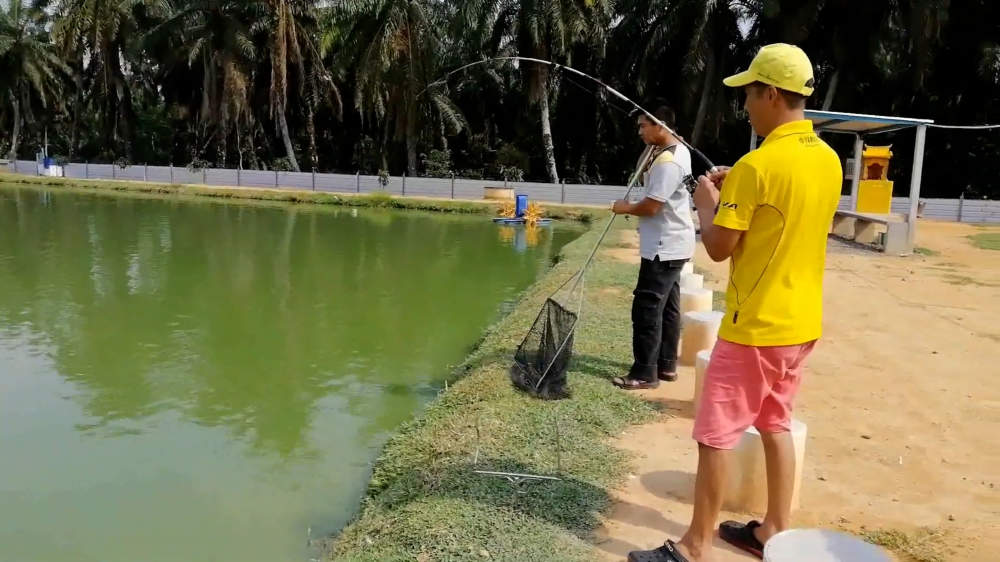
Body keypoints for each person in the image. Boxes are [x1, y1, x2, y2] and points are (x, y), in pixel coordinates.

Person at [627, 44, 842, 562]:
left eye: (748, 94)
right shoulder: (828, 160)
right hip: (801, 323)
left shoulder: (756, 164)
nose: (744, 104)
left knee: (715, 434)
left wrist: (708, 204)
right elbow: (776, 221)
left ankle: (695, 544)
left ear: (771, 93)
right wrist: (734, 194)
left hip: (755, 327)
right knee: (775, 422)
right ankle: (774, 530)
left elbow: (721, 247)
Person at [610, 105, 695, 390]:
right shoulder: (673, 151)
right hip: (672, 243)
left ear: (660, 125)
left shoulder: (668, 161)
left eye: (643, 126)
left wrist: (625, 207)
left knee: (646, 308)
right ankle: (666, 365)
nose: (639, 131)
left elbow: (652, 206)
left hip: (663, 246)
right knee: (669, 307)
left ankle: (644, 372)